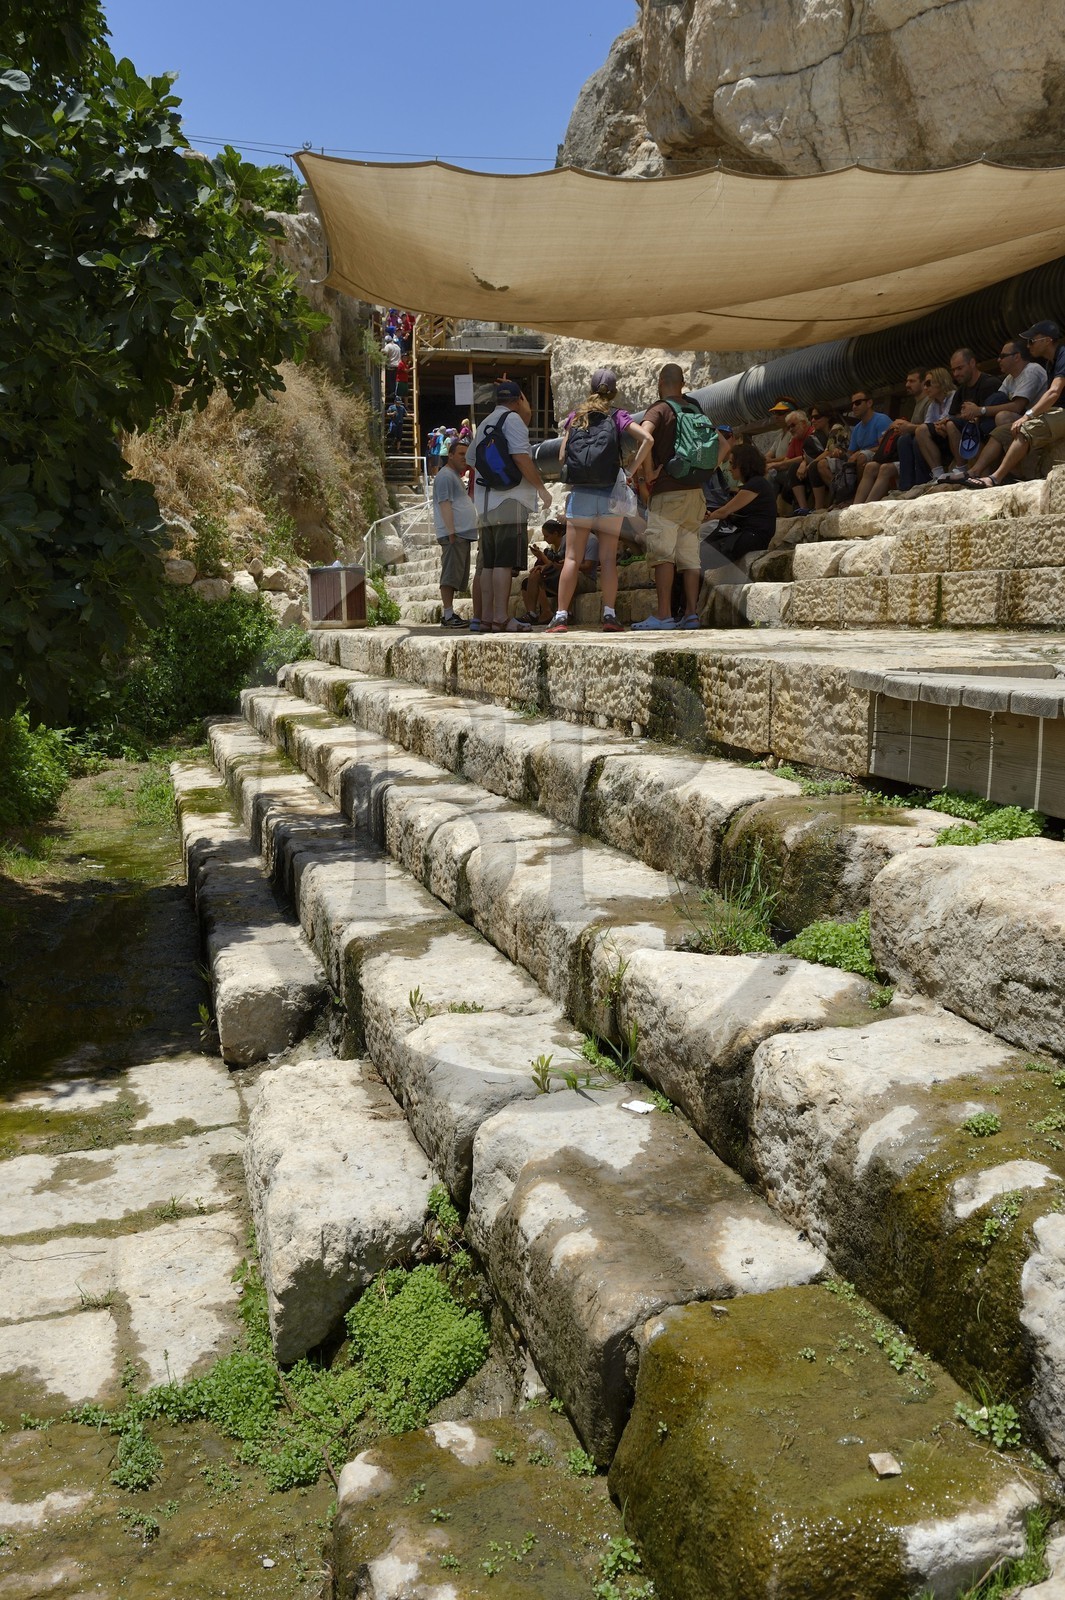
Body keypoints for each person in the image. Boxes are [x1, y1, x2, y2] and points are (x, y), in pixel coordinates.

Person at [546, 368, 652, 634]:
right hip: (609, 494)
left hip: (581, 494)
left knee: (571, 557)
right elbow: (647, 438)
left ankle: (560, 617)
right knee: (607, 558)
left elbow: (561, 457)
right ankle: (609, 615)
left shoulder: (576, 417)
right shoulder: (617, 416)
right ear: (614, 392)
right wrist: (630, 470)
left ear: (589, 388)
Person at [632, 364, 715, 631]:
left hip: (668, 493)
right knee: (691, 557)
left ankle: (664, 614)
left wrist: (647, 474)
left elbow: (643, 437)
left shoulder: (659, 409)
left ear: (660, 382)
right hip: (695, 494)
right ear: (683, 382)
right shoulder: (695, 407)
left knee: (663, 555)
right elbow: (720, 445)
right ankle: (691, 614)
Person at [465, 380, 553, 631]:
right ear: (518, 400)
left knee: (490, 564)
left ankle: (488, 617)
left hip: (485, 503)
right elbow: (521, 458)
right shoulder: (513, 421)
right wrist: (541, 489)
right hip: (509, 500)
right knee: (503, 563)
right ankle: (502, 617)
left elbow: (472, 458)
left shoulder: (484, 423)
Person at [970, 321, 1065, 488]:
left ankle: (994, 479)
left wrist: (1028, 415)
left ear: (1047, 340)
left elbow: (1054, 392)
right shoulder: (1051, 362)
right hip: (1055, 412)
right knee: (1000, 432)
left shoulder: (1063, 355)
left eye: (1032, 341)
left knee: (1023, 429)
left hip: (1062, 412)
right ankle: (973, 472)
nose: (1028, 346)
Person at [952, 338, 1049, 482]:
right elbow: (997, 399)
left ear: (1016, 357)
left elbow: (1017, 406)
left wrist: (980, 410)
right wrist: (977, 413)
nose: (998, 360)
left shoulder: (1032, 370)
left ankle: (1011, 471)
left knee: (1001, 418)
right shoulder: (1010, 378)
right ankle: (974, 472)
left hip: (1037, 421)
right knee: (992, 428)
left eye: (1003, 356)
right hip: (1019, 423)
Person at [701, 443, 778, 593]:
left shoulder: (757, 484)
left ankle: (687, 609)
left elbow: (725, 511)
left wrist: (705, 518)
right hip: (746, 535)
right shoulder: (754, 484)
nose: (729, 468)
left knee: (698, 557)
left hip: (752, 537)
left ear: (742, 464)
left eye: (731, 463)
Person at [915, 349, 1000, 480]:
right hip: (964, 431)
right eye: (953, 370)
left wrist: (970, 414)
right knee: (927, 430)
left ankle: (961, 468)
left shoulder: (989, 383)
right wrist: (942, 424)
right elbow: (954, 416)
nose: (956, 374)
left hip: (985, 430)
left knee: (951, 424)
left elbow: (990, 414)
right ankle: (939, 474)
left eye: (959, 368)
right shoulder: (962, 390)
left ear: (972, 363)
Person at [792, 407, 832, 510]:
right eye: (812, 417)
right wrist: (804, 463)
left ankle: (818, 506)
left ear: (827, 417)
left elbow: (830, 451)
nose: (813, 420)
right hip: (821, 464)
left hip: (836, 462)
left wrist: (809, 465)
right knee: (794, 468)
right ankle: (803, 508)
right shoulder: (814, 434)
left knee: (814, 466)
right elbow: (807, 455)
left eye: (817, 417)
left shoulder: (836, 428)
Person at [383, 332, 401, 400]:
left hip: (391, 365)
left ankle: (392, 392)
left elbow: (385, 353)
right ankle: (395, 392)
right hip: (397, 365)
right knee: (394, 380)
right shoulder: (397, 347)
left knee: (390, 380)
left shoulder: (388, 346)